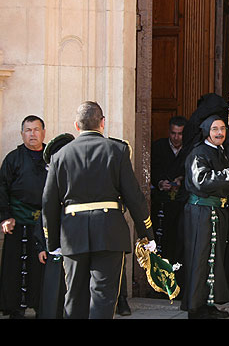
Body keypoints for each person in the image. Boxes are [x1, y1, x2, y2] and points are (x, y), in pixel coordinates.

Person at [41, 101, 156, 319]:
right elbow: (135, 198)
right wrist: (146, 234)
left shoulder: (60, 156)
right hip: (109, 232)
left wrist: (53, 243)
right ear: (102, 123)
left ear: (77, 125)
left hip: (72, 234)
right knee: (103, 296)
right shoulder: (117, 150)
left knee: (74, 296)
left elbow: (49, 203)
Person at [181, 114, 229, 319]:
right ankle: (195, 307)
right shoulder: (199, 153)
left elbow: (222, 185)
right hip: (201, 213)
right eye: (215, 129)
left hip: (215, 213)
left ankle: (208, 304)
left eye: (223, 129)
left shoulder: (221, 152)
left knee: (212, 259)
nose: (220, 133)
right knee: (200, 258)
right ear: (207, 131)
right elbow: (203, 181)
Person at [0, 115, 48, 318]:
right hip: (17, 221)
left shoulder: (53, 156)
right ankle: (14, 308)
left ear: (43, 132)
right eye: (28, 130)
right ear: (22, 134)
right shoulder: (13, 158)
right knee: (14, 267)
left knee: (42, 268)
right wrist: (5, 217)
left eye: (36, 129)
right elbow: (2, 188)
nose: (32, 134)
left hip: (45, 223)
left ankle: (42, 306)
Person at [150, 115, 189, 290]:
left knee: (179, 244)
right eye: (173, 133)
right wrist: (160, 183)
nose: (176, 137)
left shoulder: (189, 149)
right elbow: (150, 170)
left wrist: (181, 179)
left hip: (181, 205)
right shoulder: (158, 147)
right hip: (161, 204)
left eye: (180, 134)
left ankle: (178, 283)